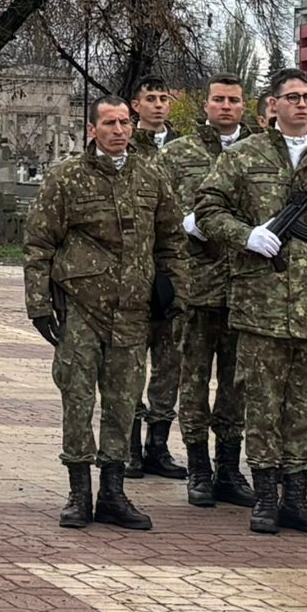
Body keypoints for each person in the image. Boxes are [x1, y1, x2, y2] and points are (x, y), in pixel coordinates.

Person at [195, 69, 307, 536]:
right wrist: (246, 235)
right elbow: (208, 209)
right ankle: (266, 495)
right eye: (292, 97)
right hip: (261, 302)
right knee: (264, 405)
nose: (302, 104)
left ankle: (296, 495)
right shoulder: (246, 155)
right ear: (272, 105)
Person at [24, 97, 181, 531]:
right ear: (92, 129)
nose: (119, 130)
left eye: (125, 123)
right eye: (109, 123)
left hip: (133, 312)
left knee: (123, 403)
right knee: (77, 399)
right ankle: (79, 492)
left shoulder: (152, 176)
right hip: (81, 309)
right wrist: (39, 304)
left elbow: (170, 241)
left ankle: (113, 491)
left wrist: (172, 295)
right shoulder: (66, 178)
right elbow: (39, 244)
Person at [164, 75, 255, 509]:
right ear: (206, 104)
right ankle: (199, 466)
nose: (225, 107)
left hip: (246, 287)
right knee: (194, 380)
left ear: (245, 106)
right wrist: (182, 224)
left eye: (233, 101)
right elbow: (158, 210)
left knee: (237, 384)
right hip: (196, 284)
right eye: (218, 99)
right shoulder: (179, 153)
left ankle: (229, 466)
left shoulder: (260, 153)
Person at [126, 75, 184, 480]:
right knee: (130, 363)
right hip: (132, 270)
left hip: (175, 268)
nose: (159, 105)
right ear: (136, 104)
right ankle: (128, 446)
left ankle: (158, 445)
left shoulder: (186, 149)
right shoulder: (126, 148)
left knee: (170, 363)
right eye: (151, 98)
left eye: (164, 98)